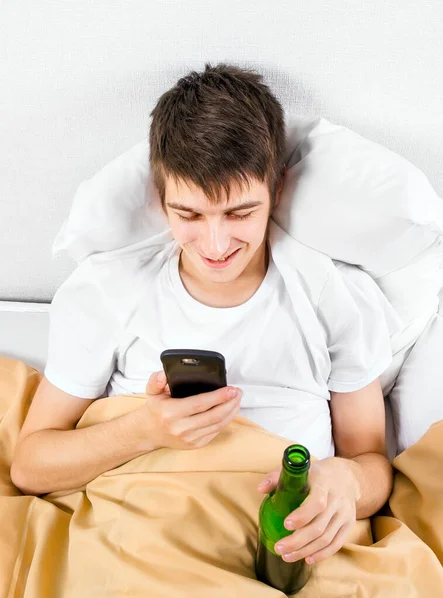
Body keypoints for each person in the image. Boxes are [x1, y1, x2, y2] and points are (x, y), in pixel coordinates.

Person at [11, 62, 393, 567]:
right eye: (188, 215)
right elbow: (31, 466)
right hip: (134, 542)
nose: (215, 246)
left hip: (278, 548)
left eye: (240, 213)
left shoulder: (333, 295)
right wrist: (144, 430)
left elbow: (371, 462)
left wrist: (346, 481)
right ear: (160, 194)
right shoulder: (108, 289)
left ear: (276, 190)